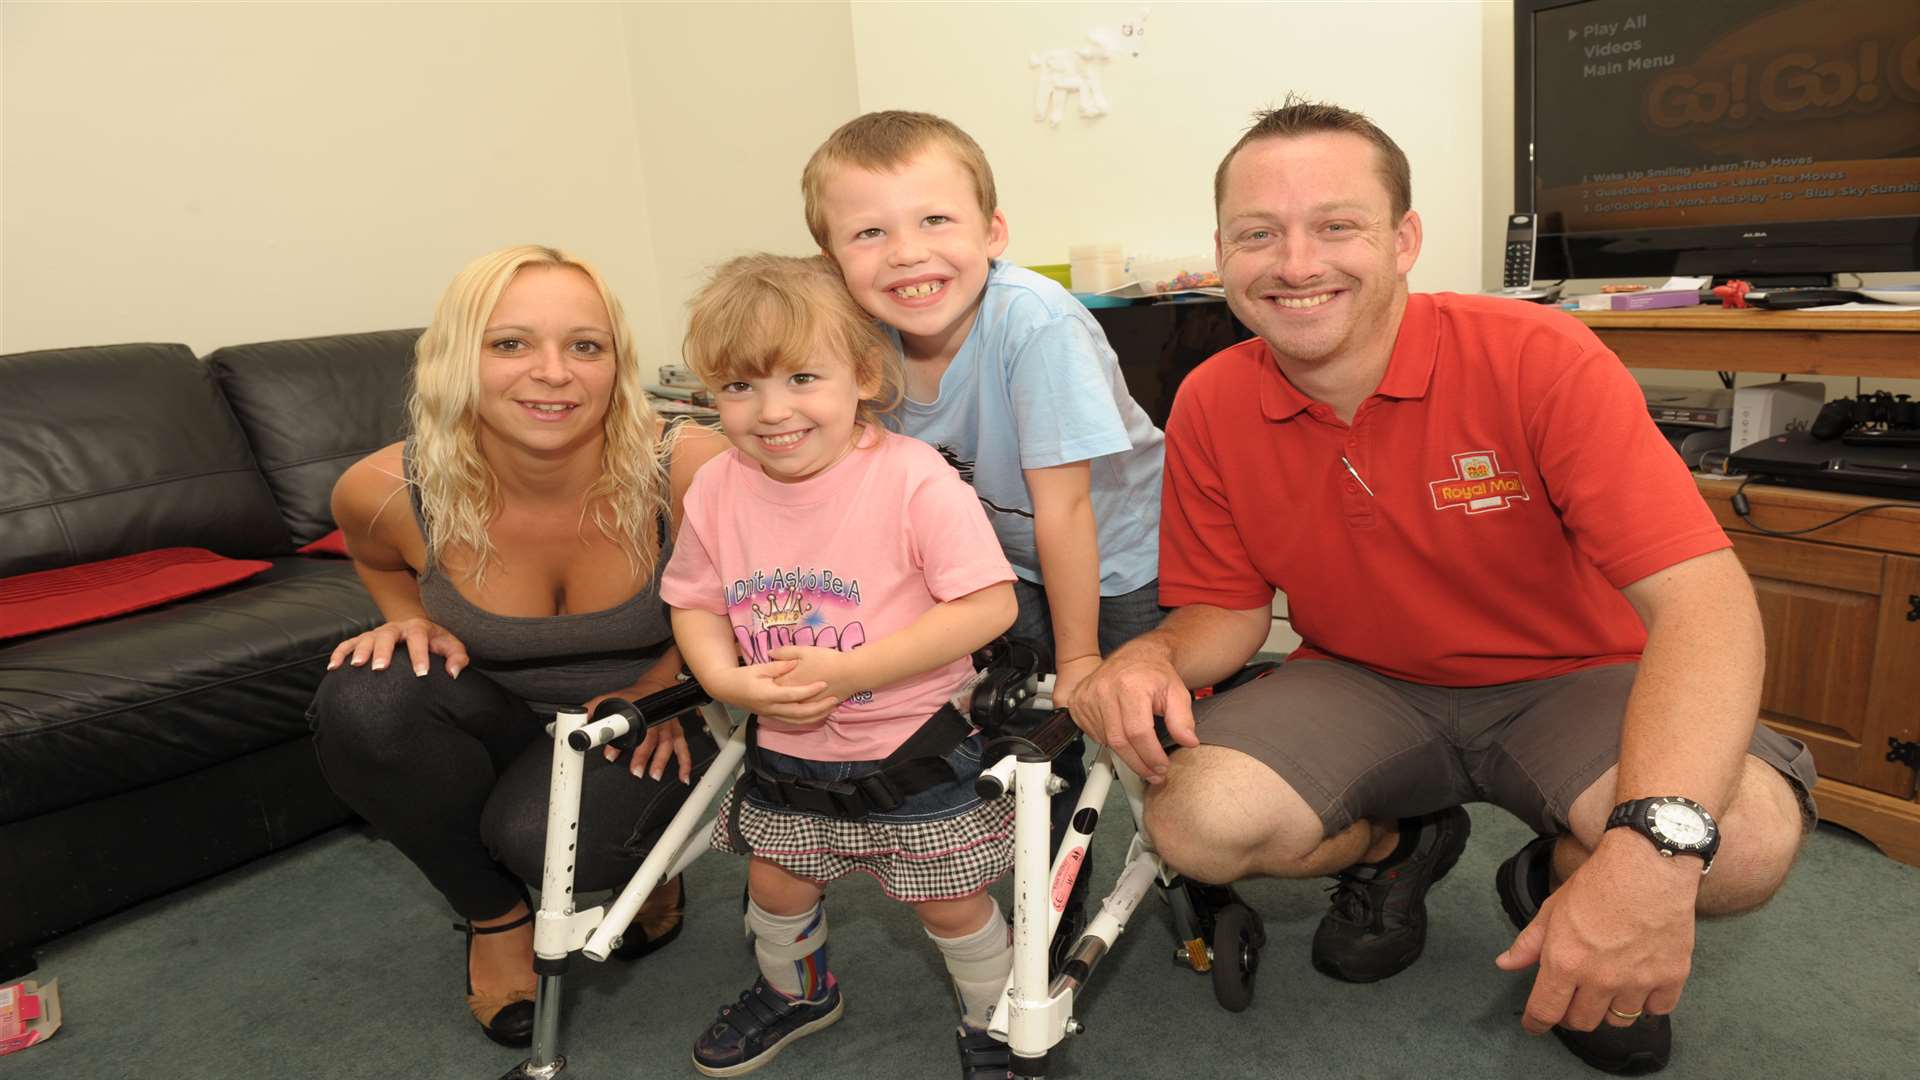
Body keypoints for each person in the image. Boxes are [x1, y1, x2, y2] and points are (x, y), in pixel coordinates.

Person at [1069, 99, 1818, 1075]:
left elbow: (1705, 603)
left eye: (1337, 225)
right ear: (1224, 251)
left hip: (1577, 679)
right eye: (1261, 234)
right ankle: (1395, 848)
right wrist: (1150, 654)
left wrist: (1644, 855)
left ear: (1405, 239)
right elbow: (1228, 610)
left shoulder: (1540, 359)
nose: (1297, 263)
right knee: (1194, 825)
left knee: (1743, 844)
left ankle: (1565, 874)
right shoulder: (1212, 397)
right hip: (1363, 682)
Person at [309, 244, 729, 1048]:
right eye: (510, 344)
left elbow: (759, 606)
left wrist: (667, 687)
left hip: (653, 723)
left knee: (541, 840)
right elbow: (369, 555)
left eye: (585, 345)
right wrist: (407, 614)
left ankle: (648, 871)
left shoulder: (689, 467)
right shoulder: (386, 490)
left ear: (617, 363)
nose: (554, 372)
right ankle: (493, 915)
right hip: (504, 717)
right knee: (366, 695)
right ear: (455, 361)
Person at [800, 111, 1168, 946]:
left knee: (1128, 727)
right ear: (832, 262)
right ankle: (1049, 892)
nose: (905, 252)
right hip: (1008, 561)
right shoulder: (860, 338)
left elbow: (1066, 508)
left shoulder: (1036, 325)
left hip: (1119, 559)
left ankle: (1185, 868)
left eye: (935, 220)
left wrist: (1081, 659)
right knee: (1034, 733)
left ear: (993, 231)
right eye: (868, 232)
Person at [661, 254, 1019, 1079]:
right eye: (739, 387)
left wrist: (857, 673)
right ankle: (799, 994)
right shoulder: (717, 484)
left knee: (951, 903)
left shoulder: (912, 480)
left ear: (862, 374)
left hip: (913, 745)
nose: (771, 410)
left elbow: (989, 606)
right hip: (785, 753)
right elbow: (695, 601)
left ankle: (994, 1016)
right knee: (776, 891)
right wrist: (722, 680)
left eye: (801, 377)